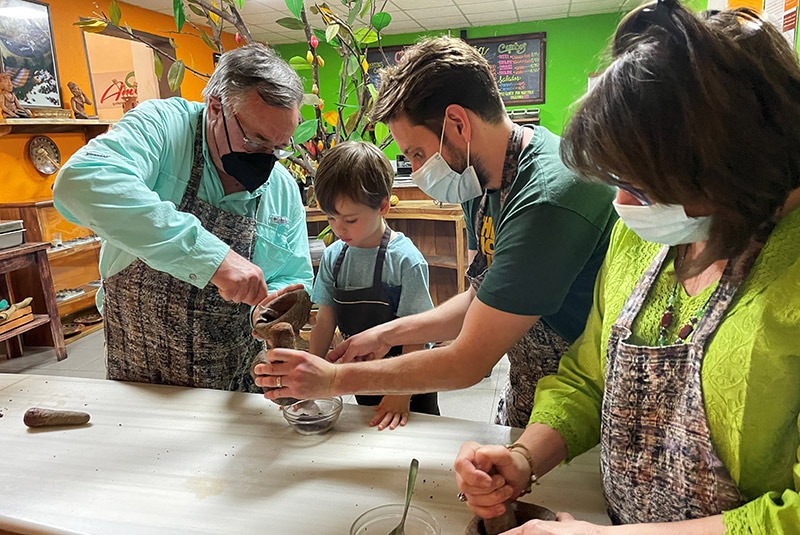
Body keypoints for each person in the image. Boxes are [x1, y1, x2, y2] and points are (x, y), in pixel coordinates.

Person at [454, 2, 800, 533]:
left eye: (642, 185)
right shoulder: (644, 237)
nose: (623, 202)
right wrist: (525, 457)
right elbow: (591, 376)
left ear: (730, 168)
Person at [254, 36, 618, 427]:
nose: (417, 169)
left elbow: (468, 361)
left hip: (584, 399)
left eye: (416, 153)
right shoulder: (480, 183)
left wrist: (334, 379)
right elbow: (481, 301)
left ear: (457, 124)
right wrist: (385, 335)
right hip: (533, 384)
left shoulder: (546, 199)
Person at [54, 44, 313, 392]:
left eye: (278, 147)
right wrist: (213, 258)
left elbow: (292, 273)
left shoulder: (279, 186)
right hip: (139, 377)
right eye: (256, 141)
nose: (266, 158)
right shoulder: (162, 128)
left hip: (232, 385)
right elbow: (81, 182)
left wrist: (274, 306)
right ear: (216, 107)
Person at [308, 141, 439, 430]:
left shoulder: (405, 260)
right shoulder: (334, 257)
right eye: (331, 218)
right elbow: (325, 320)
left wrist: (400, 392)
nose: (338, 228)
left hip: (411, 383)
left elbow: (416, 335)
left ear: (383, 206)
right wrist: (312, 372)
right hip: (363, 377)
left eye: (350, 219)